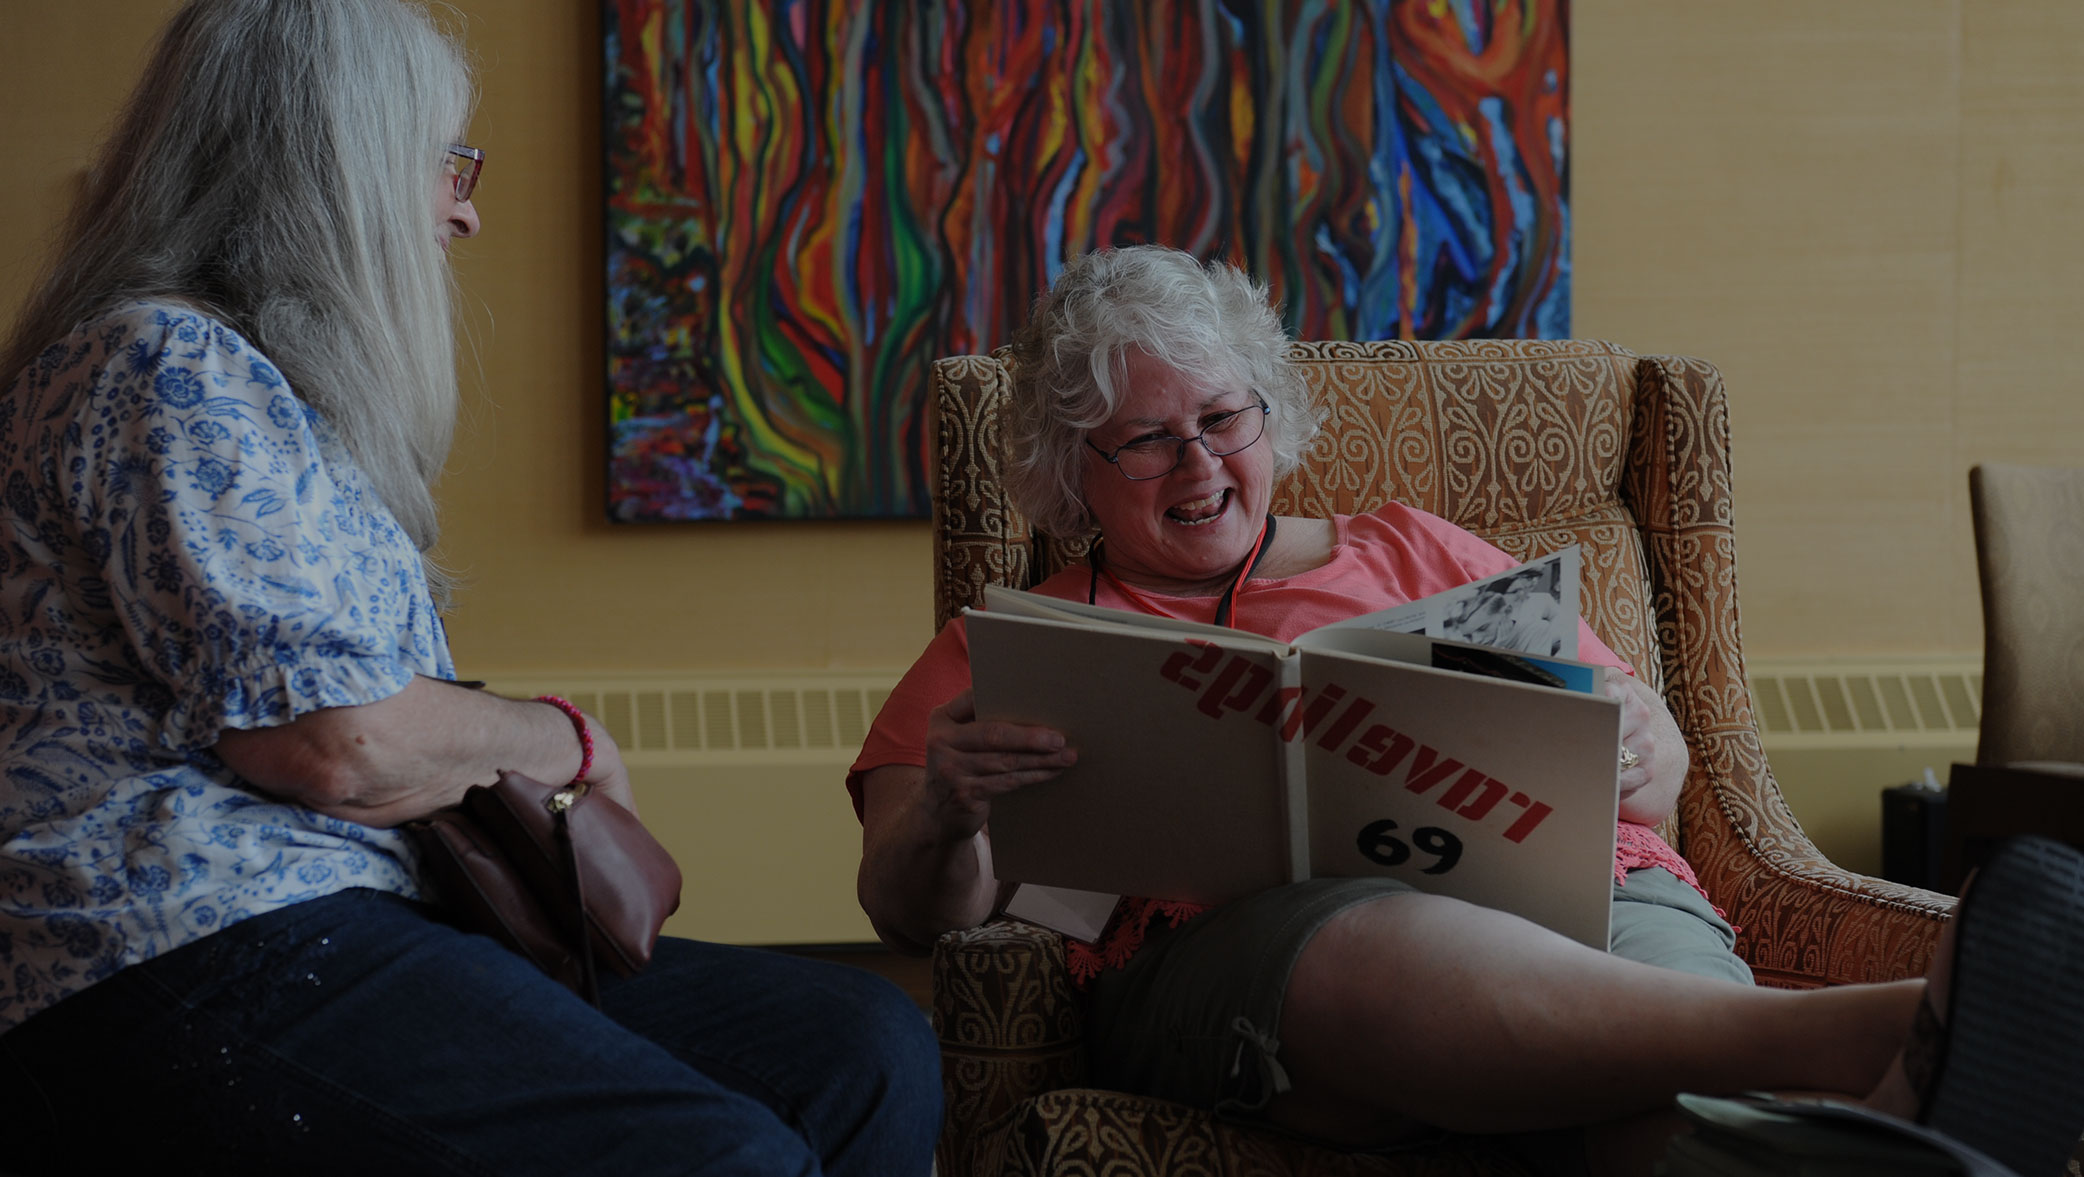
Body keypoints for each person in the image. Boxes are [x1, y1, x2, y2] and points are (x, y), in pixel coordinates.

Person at [850, 245, 2084, 1176]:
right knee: (1371, 935)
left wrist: (1640, 742)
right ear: (1070, 471)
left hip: (1591, 891)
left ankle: (1875, 1125)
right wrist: (950, 812)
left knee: (1627, 1099)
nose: (1201, 465)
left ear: (1267, 414)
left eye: (1223, 420)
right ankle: (1884, 1028)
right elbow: (909, 912)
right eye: (1145, 442)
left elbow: (1649, 785)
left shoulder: (1421, 549)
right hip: (1250, 961)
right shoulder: (1013, 647)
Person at [0, 3, 937, 1174]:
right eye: (445, 160)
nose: (465, 206)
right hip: (171, 943)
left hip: (355, 909)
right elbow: (337, 743)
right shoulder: (161, 362)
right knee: (718, 1154)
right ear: (336, 164)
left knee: (862, 1039)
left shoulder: (260, 388)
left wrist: (507, 739)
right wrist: (561, 740)